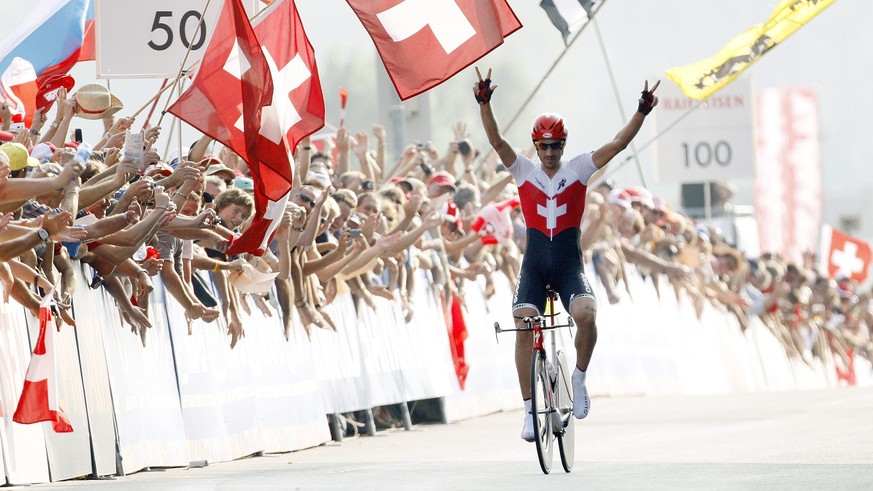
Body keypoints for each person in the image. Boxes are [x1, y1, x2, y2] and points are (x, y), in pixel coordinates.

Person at [473, 66, 660, 441]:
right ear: (536, 146)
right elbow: (495, 140)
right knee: (524, 320)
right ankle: (528, 410)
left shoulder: (579, 168)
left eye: (556, 145)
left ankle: (579, 377)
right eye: (543, 146)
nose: (550, 153)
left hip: (568, 266)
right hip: (535, 266)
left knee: (587, 315)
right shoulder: (523, 170)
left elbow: (618, 143)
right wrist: (484, 102)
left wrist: (641, 111)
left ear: (564, 145)